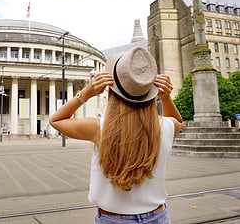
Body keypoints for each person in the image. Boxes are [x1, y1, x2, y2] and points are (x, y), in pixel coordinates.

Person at [49, 47, 184, 224]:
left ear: (112, 92)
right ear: (151, 92)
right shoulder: (166, 126)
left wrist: (85, 93)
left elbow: (56, 120)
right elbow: (177, 120)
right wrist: (166, 98)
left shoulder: (100, 127)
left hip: (113, 219)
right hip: (157, 216)